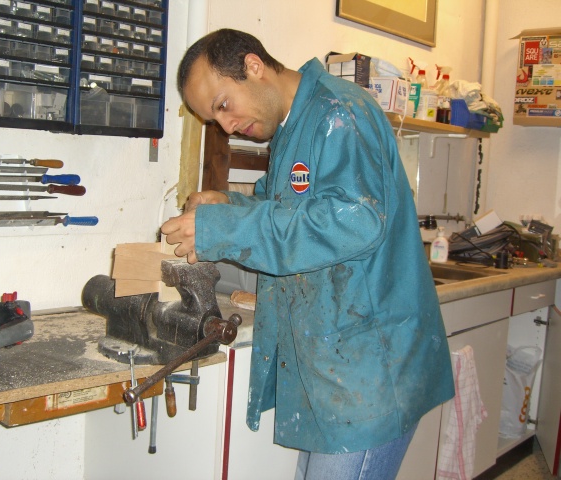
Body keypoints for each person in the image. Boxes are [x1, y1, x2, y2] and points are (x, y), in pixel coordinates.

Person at [162, 29, 454, 479]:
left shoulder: (340, 113)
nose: (226, 126)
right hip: (336, 367)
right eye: (213, 119)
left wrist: (222, 228)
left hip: (371, 373)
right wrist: (228, 204)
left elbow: (353, 221)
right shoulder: (294, 127)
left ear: (253, 66)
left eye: (223, 105)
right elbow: (285, 210)